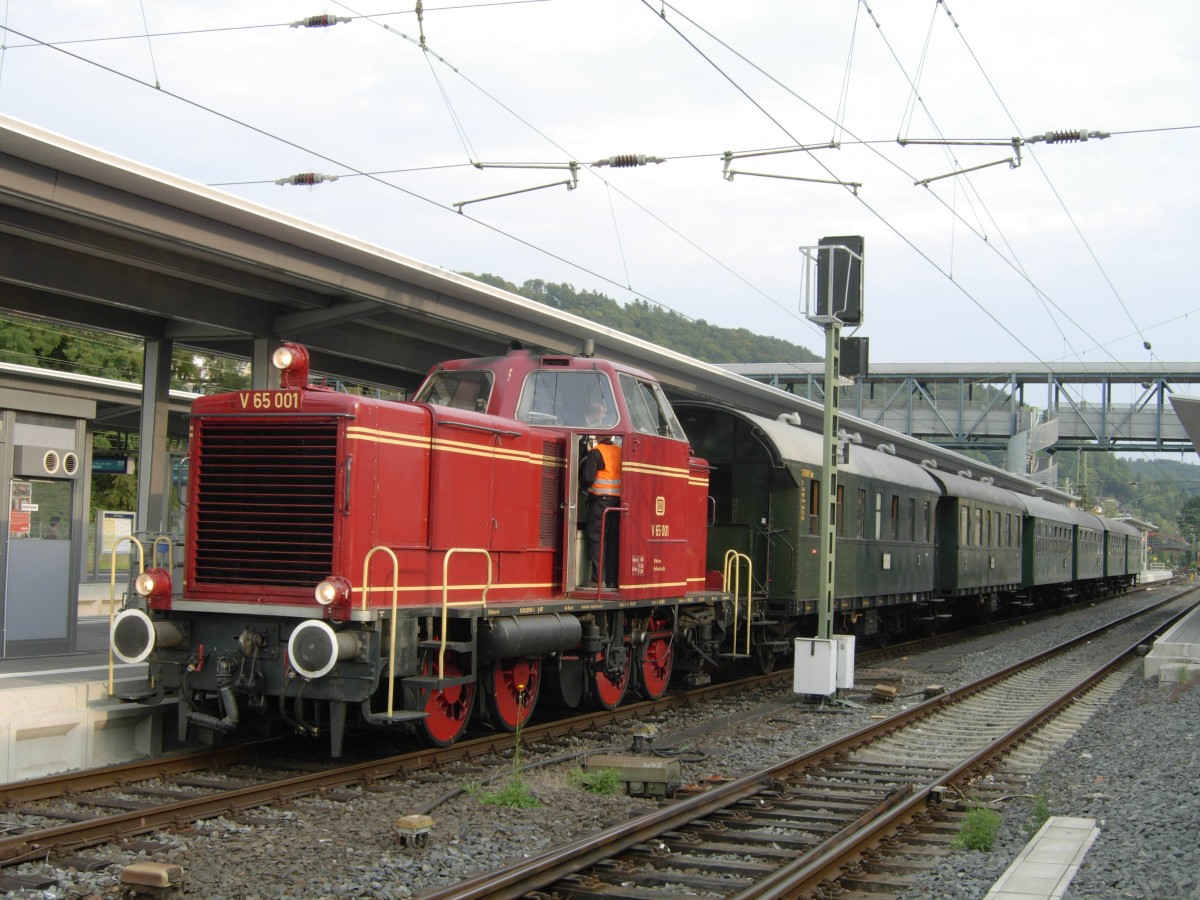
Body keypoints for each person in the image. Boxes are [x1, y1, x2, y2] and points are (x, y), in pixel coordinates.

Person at [580, 430, 622, 590]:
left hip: (599, 503)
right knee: (612, 541)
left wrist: (582, 486)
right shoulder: (620, 452)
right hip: (617, 503)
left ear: (597, 436)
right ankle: (611, 579)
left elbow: (588, 478)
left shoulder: (596, 452)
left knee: (597, 540)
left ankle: (598, 579)